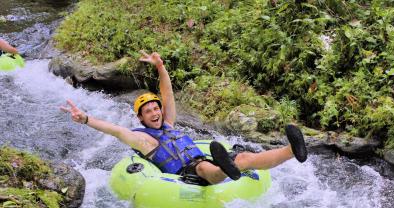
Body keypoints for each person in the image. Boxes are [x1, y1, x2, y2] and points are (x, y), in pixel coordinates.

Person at [60, 51, 307, 185]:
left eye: (156, 109)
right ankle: (225, 169)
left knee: (244, 157)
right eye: (149, 112)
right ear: (141, 118)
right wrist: (85, 119)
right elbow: (115, 130)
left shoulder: (168, 123)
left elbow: (167, 95)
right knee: (204, 168)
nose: (156, 113)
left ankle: (292, 150)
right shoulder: (143, 140)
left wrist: (160, 67)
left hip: (204, 158)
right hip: (188, 174)